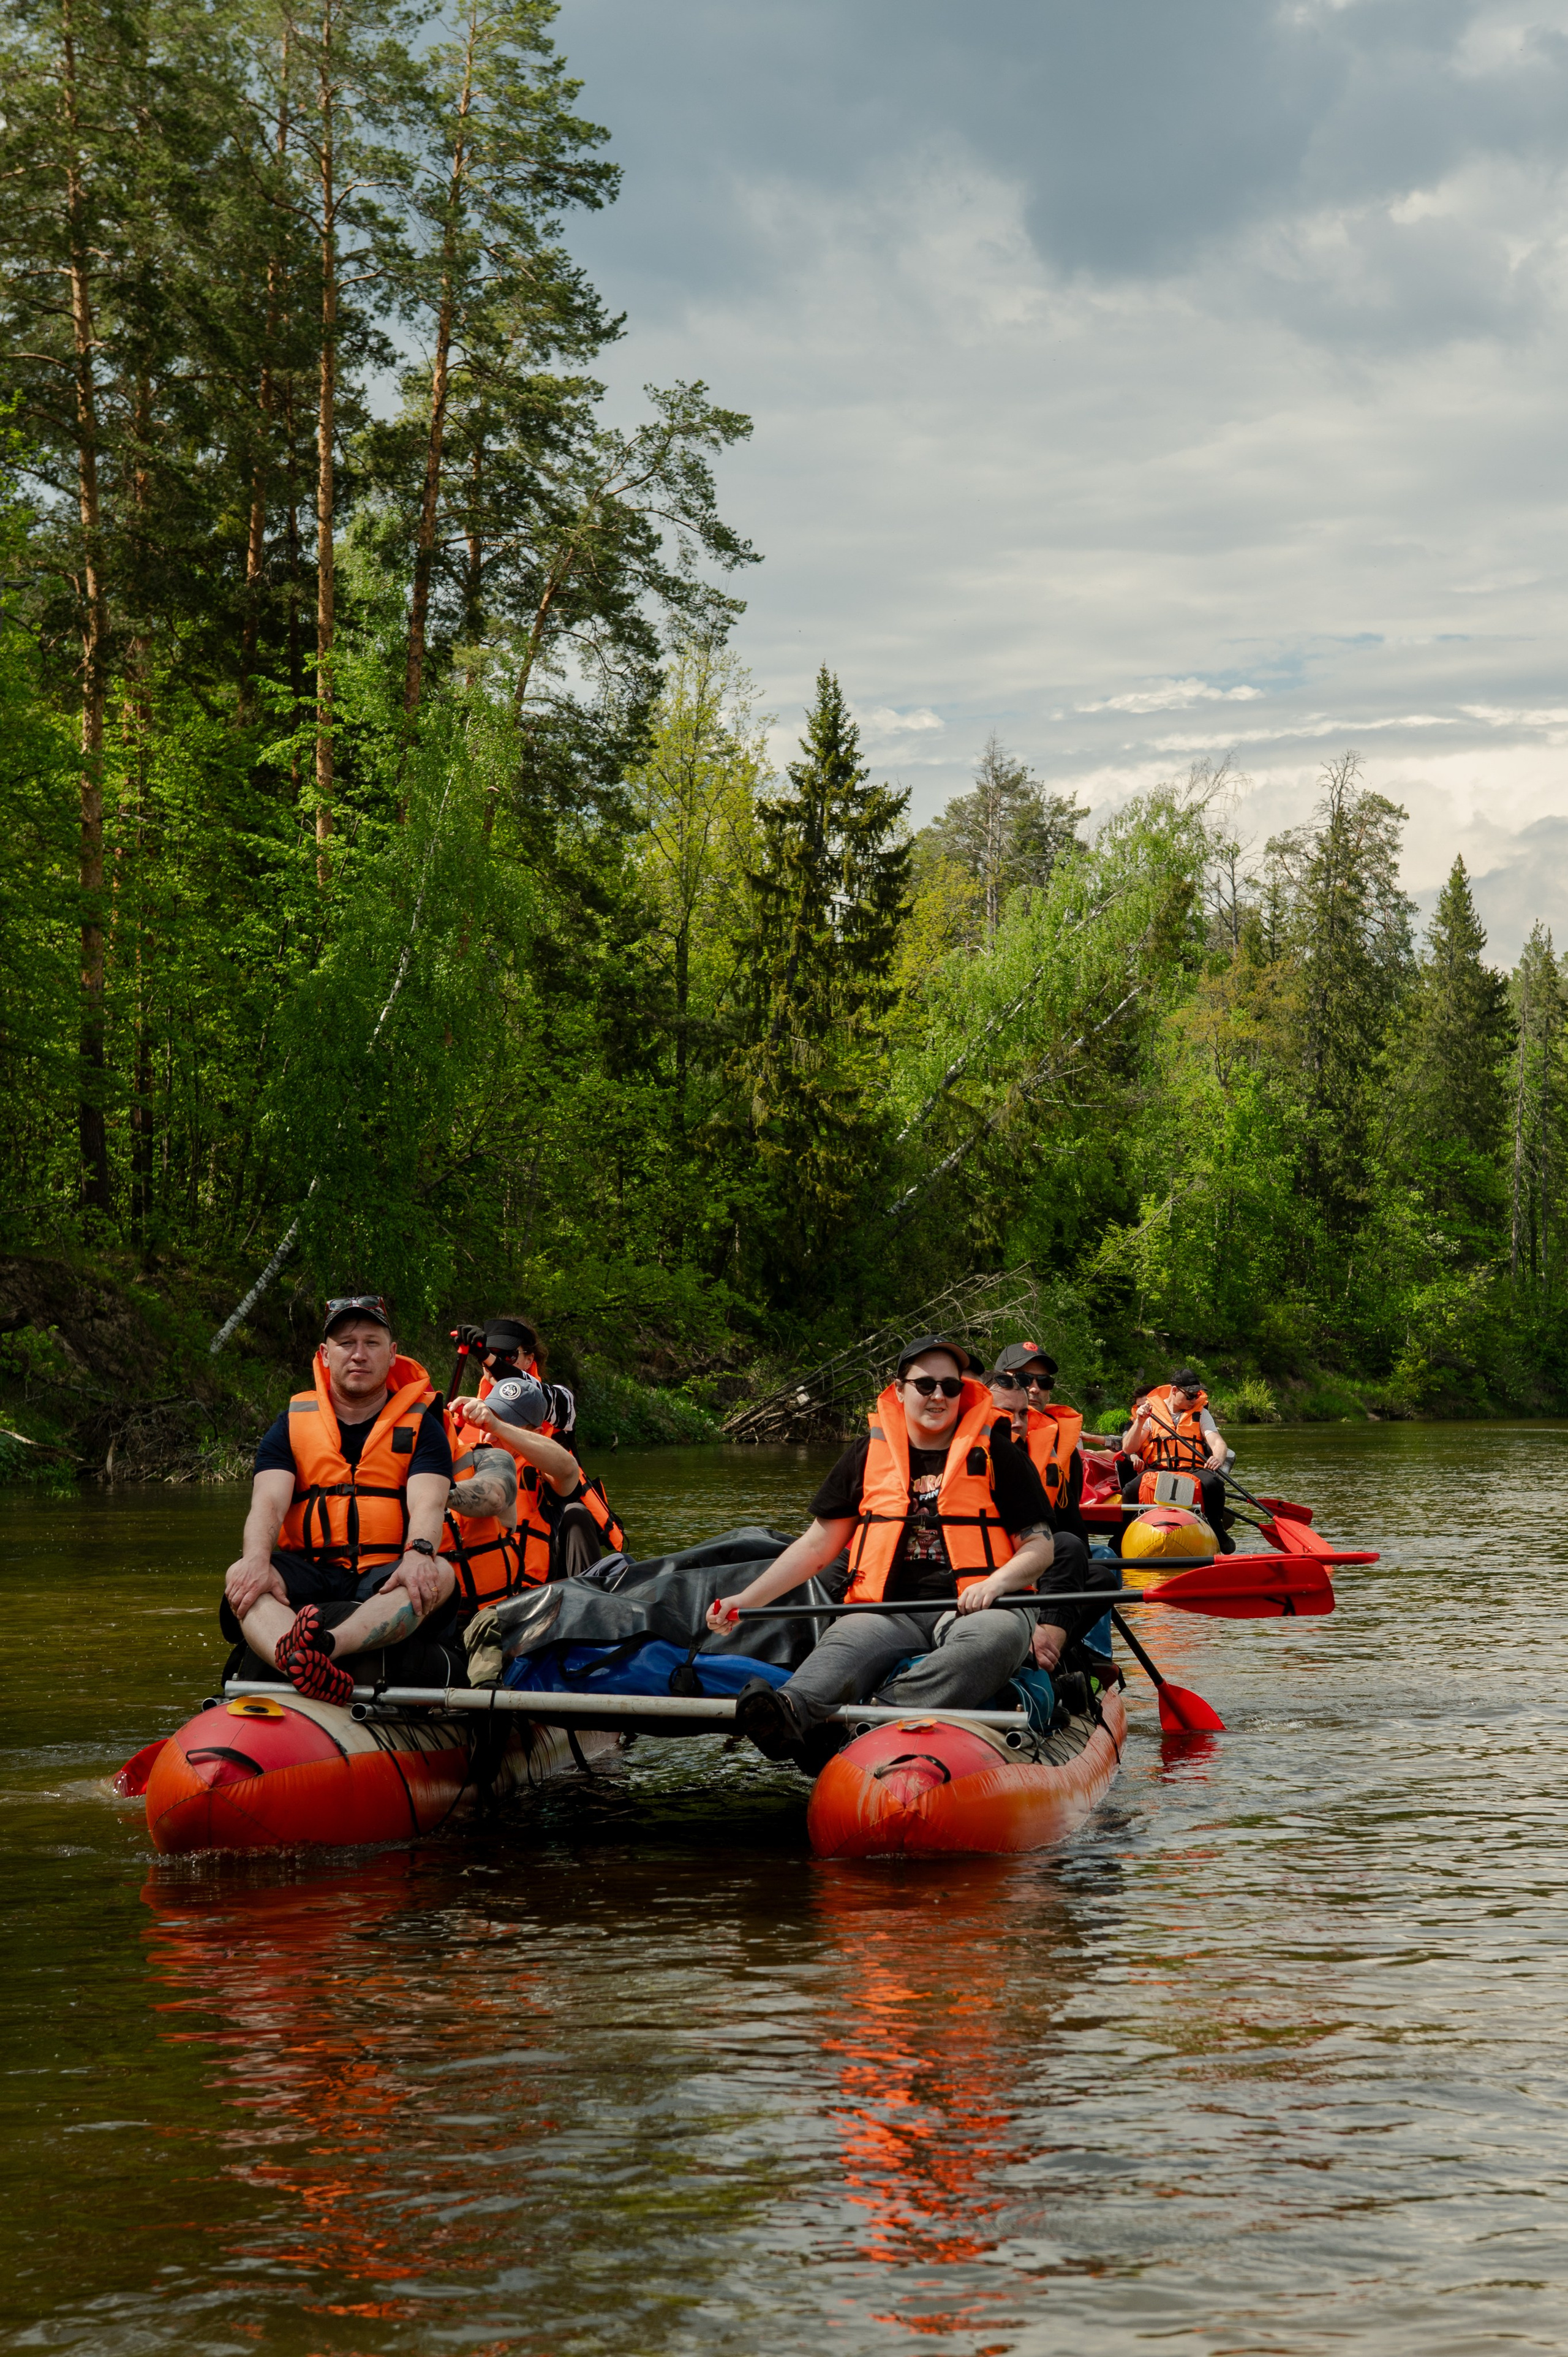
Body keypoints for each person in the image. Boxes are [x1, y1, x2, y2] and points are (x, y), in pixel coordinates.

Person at [707, 1334, 1112, 1765]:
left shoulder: (997, 1452)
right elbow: (815, 1547)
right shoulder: (867, 1453)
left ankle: (868, 1720)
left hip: (980, 1608)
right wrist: (744, 1600)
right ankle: (788, 1711)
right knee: (843, 1642)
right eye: (925, 1385)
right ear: (899, 1390)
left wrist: (996, 1583)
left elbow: (1040, 1547)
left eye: (950, 1386)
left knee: (992, 1642)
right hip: (889, 1610)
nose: (938, 1396)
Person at [222, 1295, 461, 1706]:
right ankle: (294, 1657)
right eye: (347, 1343)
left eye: (372, 1343)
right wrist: (256, 1559)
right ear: (325, 1354)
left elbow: (428, 1502)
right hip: (312, 1572)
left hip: (385, 1571)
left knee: (439, 1572)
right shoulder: (290, 1425)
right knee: (243, 1572)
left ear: (392, 1354)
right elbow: (267, 1504)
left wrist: (419, 1552)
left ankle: (325, 1648)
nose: (359, 1354)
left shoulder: (423, 1425)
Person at [449, 1315, 625, 1567]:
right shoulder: (462, 1417)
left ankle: (587, 1586)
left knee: (576, 1514)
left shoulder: (555, 1400)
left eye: (507, 1355)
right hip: (484, 1559)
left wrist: (487, 1357)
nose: (493, 1364)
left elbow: (523, 1388)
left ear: (530, 1359)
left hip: (546, 1543)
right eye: (490, 1355)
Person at [1125, 1368, 1235, 1552]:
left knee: (1214, 1484)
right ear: (1175, 1390)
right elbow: (1129, 1448)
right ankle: (1124, 1532)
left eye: (1196, 1395)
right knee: (1130, 1489)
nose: (1193, 1400)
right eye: (1189, 1395)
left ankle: (1217, 1528)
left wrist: (1217, 1457)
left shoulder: (1201, 1414)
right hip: (1159, 1469)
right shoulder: (1151, 1413)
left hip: (1192, 1468)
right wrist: (1140, 1421)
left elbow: (1218, 1442)